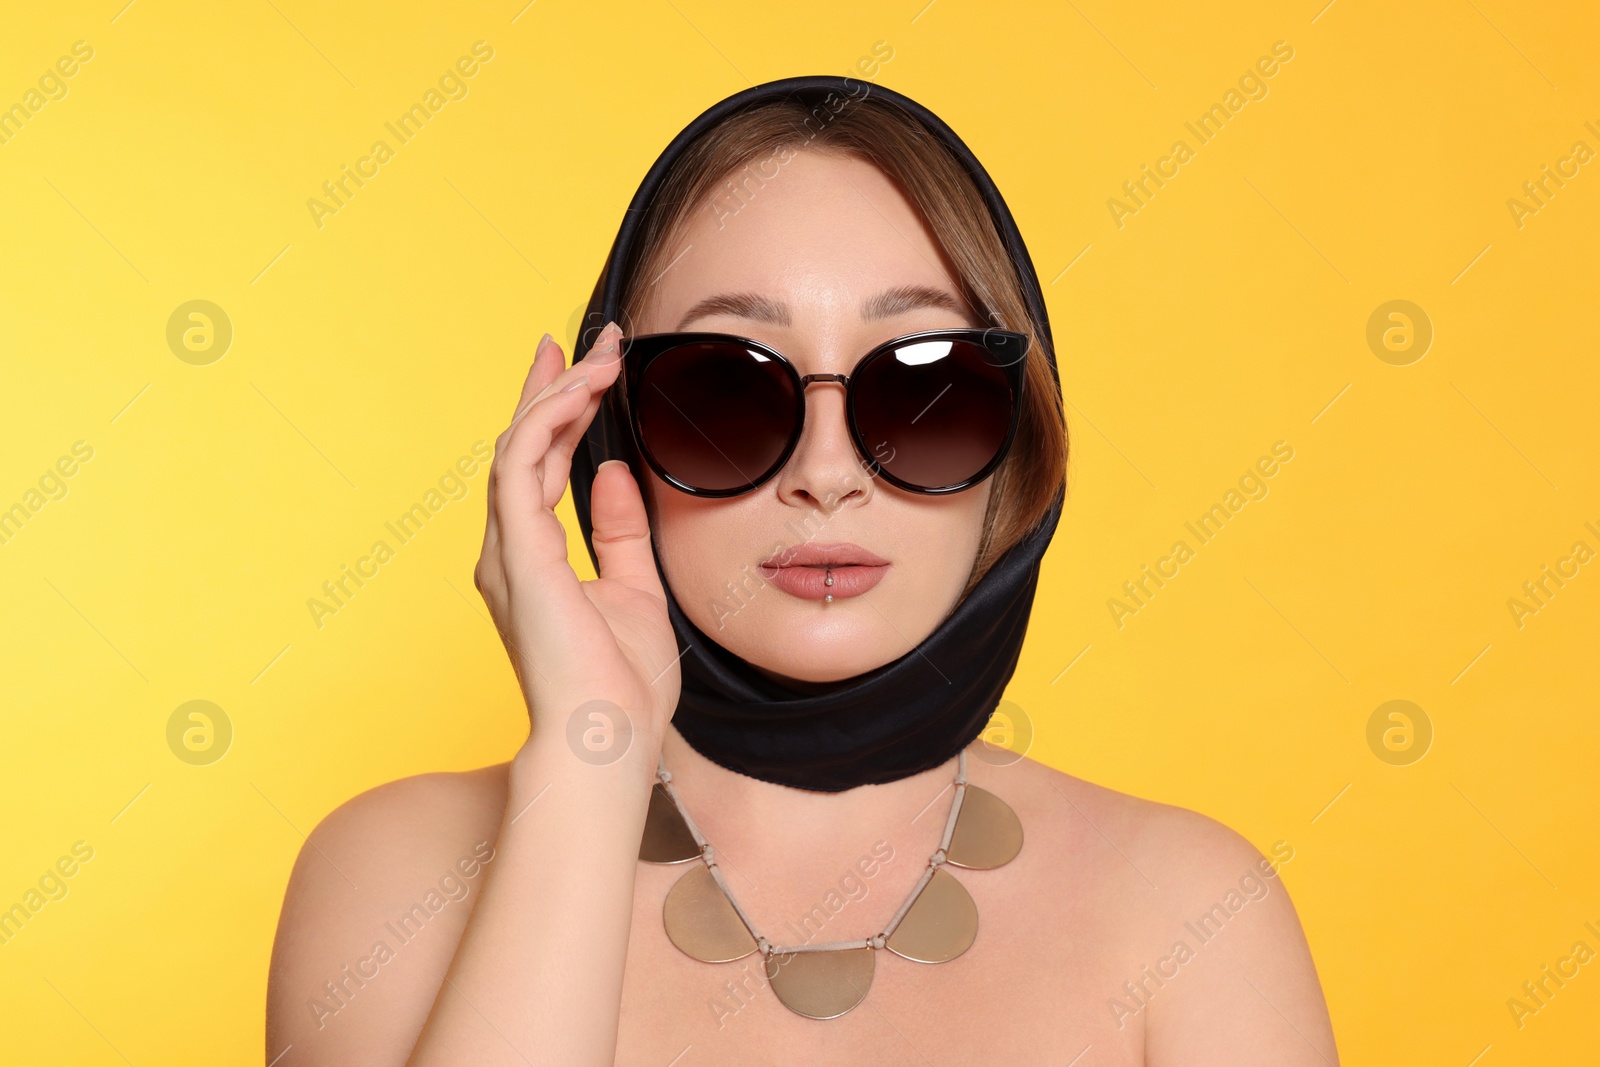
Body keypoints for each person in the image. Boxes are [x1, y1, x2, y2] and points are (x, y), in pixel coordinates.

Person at [265, 76, 1338, 1065]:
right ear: (612, 433)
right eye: (727, 389)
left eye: (925, 390)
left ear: (1015, 441)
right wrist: (593, 751)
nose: (827, 474)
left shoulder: (1194, 912)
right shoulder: (390, 876)